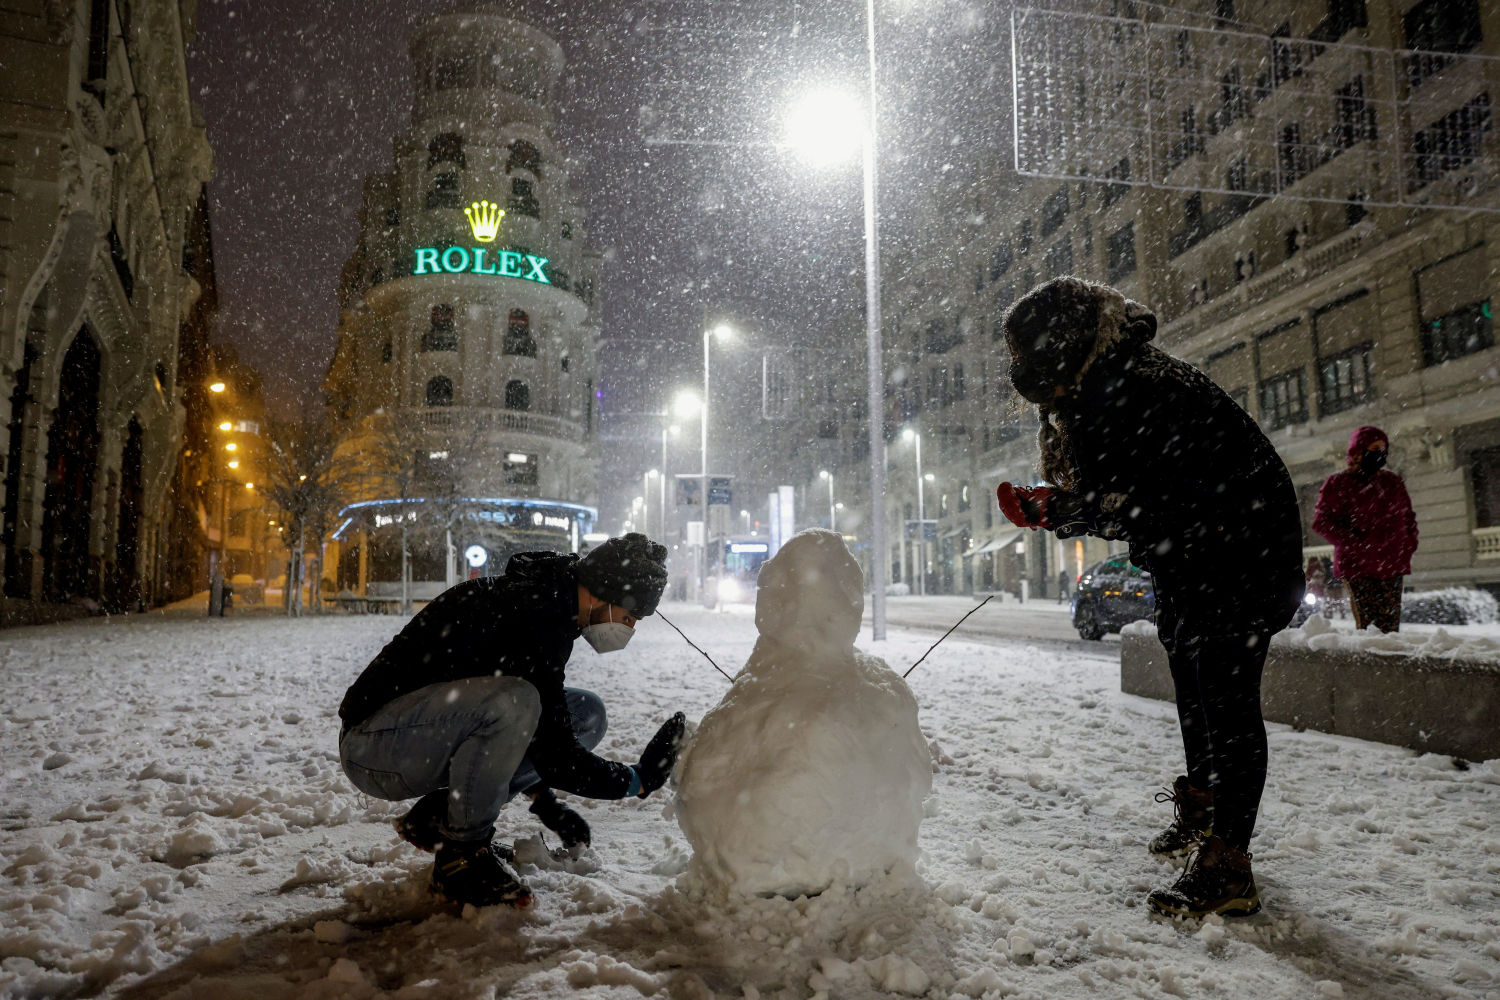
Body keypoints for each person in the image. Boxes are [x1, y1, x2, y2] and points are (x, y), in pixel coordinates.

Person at [994, 276, 1303, 918]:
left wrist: (1068, 510)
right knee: (1192, 677)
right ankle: (1204, 810)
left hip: (1240, 547)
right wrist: (1065, 508)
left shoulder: (1130, 386)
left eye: (1028, 357)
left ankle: (1229, 865)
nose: (1022, 373)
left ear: (1062, 347)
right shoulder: (1101, 381)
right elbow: (1132, 498)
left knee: (1227, 695)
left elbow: (1140, 497)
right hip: (1191, 548)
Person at [337, 533, 685, 909]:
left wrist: (544, 801)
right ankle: (462, 858)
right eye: (630, 616)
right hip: (373, 746)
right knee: (516, 701)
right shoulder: (534, 613)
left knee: (586, 713)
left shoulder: (554, 603)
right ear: (604, 593)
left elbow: (539, 735)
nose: (629, 629)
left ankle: (441, 817)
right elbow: (551, 752)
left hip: (420, 733)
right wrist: (637, 782)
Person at [1312, 426, 1419, 633]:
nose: (1381, 453)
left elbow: (1408, 517)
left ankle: (1390, 664)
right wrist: (1355, 543)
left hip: (1392, 564)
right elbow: (1322, 521)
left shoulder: (1393, 482)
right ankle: (1373, 665)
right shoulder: (1339, 483)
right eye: (1375, 447)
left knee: (1390, 628)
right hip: (1358, 566)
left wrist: (1408, 544)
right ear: (1359, 450)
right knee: (1370, 628)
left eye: (1384, 448)